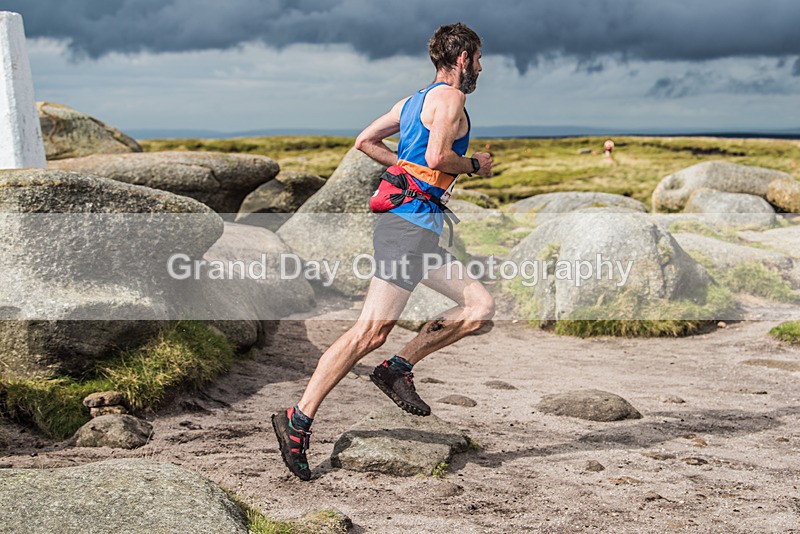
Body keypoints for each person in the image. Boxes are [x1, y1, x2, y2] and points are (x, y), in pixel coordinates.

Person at [272, 22, 495, 481]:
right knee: (368, 333)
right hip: (407, 230)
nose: (480, 66)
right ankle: (298, 418)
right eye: (478, 58)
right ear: (462, 57)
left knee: (478, 306)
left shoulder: (410, 102)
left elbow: (365, 141)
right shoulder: (452, 99)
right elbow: (437, 159)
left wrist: (405, 171)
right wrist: (475, 165)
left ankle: (397, 368)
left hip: (417, 229)